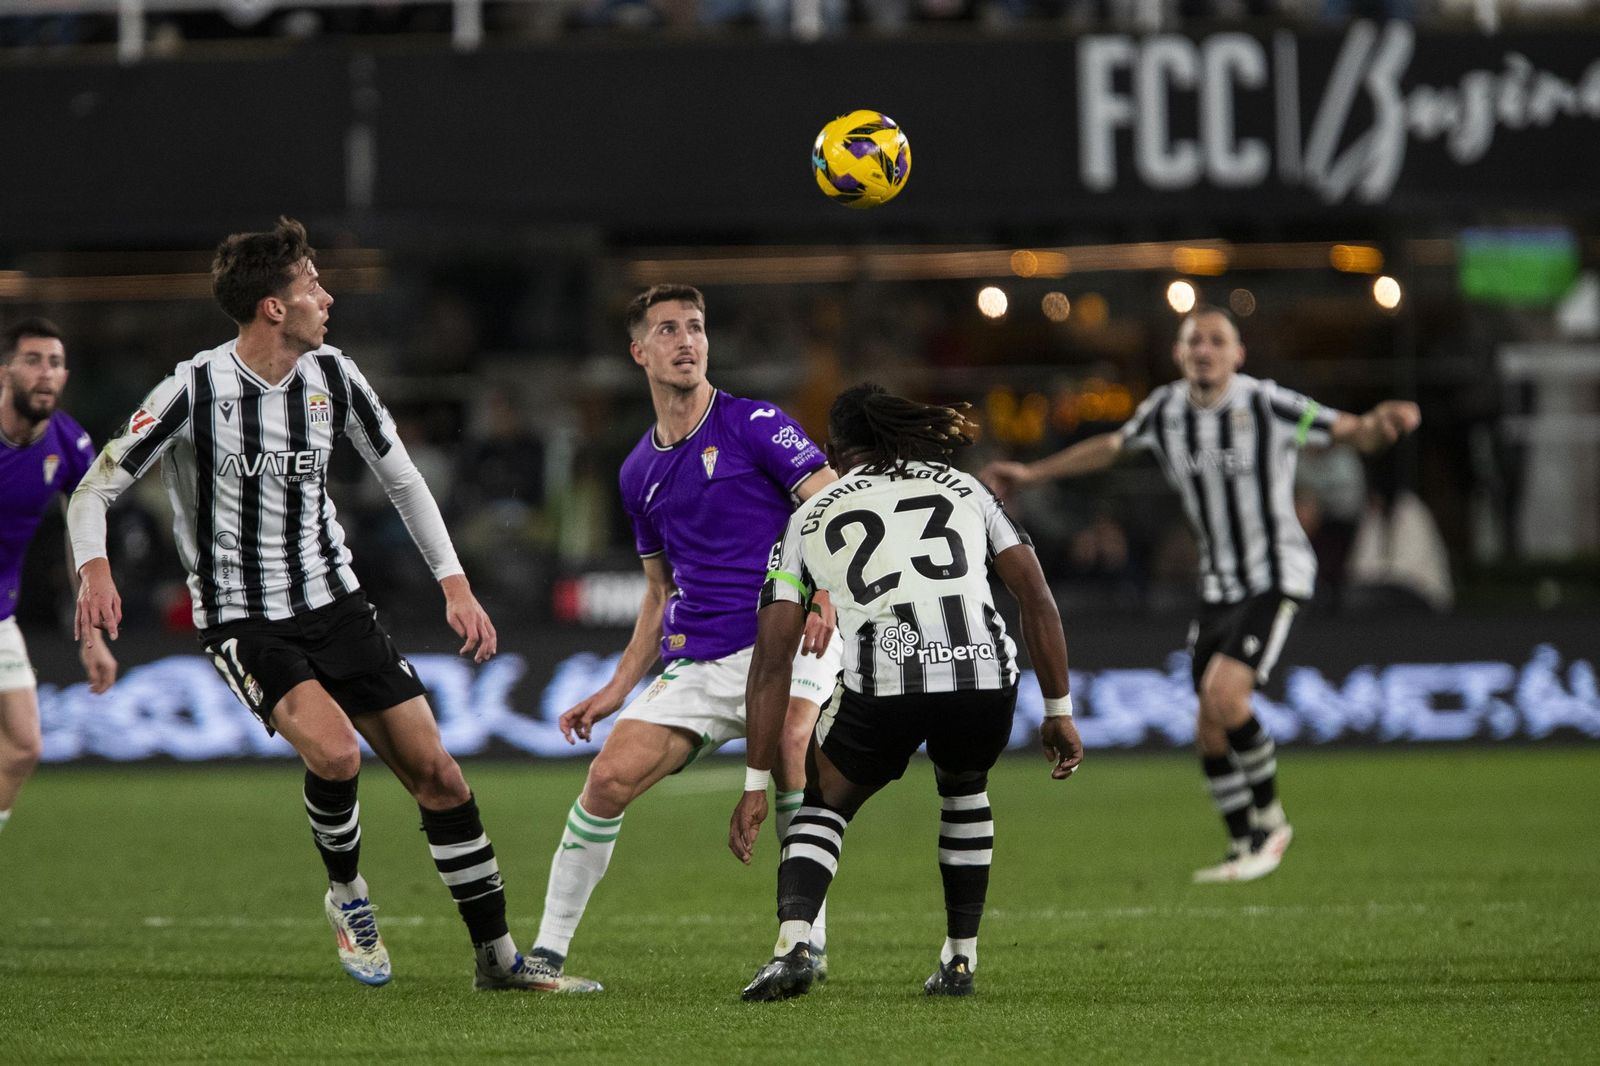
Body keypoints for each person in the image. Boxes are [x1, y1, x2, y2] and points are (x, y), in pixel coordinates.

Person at [67, 218, 554, 991]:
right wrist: (94, 571)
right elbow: (95, 488)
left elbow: (402, 479)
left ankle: (498, 960)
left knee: (443, 778)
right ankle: (348, 895)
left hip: (337, 602)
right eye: (310, 284)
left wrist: (455, 583)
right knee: (334, 753)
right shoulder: (194, 388)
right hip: (243, 616)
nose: (326, 297)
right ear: (271, 307)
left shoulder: (335, 377)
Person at [982, 305, 1420, 883]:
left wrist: (1379, 422)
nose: (1205, 350)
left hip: (1275, 574)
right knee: (1207, 728)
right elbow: (1113, 445)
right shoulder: (1166, 410)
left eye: (1217, 341)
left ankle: (1271, 824)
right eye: (1195, 342)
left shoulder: (1266, 402)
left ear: (1237, 354)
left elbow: (1348, 431)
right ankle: (1243, 846)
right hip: (1218, 586)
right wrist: (1034, 474)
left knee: (1225, 697)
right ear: (1179, 354)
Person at [525, 283, 842, 991]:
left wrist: (822, 592)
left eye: (696, 327)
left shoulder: (755, 422)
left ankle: (803, 944)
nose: (687, 341)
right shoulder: (638, 471)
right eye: (668, 330)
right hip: (702, 660)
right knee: (606, 778)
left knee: (793, 745)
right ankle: (544, 958)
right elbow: (658, 594)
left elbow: (832, 499)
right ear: (640, 352)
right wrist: (613, 690)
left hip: (789, 640)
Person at [732, 383, 1082, 1002]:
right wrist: (1059, 710)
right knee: (965, 787)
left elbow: (772, 660)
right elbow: (1037, 597)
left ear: (832, 448)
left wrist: (756, 783)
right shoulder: (968, 488)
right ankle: (960, 962)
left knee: (823, 805)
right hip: (980, 668)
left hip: (887, 672)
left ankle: (793, 946)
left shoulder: (810, 514)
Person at [0, 318, 118, 840]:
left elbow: (82, 533)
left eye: (54, 363)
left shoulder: (70, 444)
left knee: (24, 746)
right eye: (32, 360)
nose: (44, 374)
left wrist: (90, 637)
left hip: (1, 613)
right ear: (5, 370)